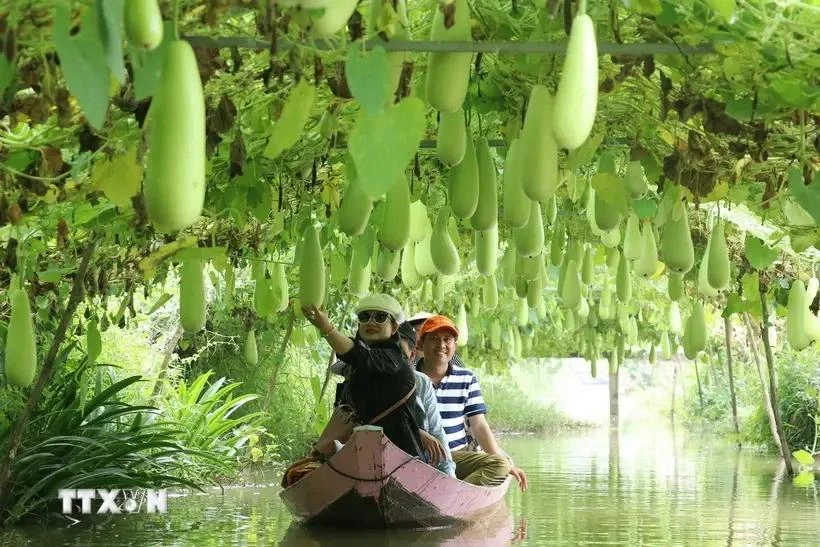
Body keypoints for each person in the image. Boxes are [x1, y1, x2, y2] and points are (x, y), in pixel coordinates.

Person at [302, 293, 424, 461]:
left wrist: (326, 328)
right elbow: (357, 353)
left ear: (394, 327)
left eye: (380, 317)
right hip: (363, 454)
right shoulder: (359, 366)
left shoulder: (393, 360)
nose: (371, 322)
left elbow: (358, 354)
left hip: (399, 460)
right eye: (364, 317)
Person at [329, 319, 456, 477]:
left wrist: (449, 477)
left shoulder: (420, 383)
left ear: (411, 356)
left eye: (396, 355)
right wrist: (415, 432)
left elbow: (437, 433)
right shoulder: (356, 381)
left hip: (416, 465)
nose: (387, 362)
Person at [416, 314, 529, 491]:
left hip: (457, 456)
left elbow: (479, 425)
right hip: (419, 456)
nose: (441, 345)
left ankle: (453, 495)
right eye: (434, 339)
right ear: (420, 344)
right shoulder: (408, 379)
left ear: (454, 345)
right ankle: (454, 495)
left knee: (500, 465)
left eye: (448, 340)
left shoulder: (466, 378)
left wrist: (504, 461)